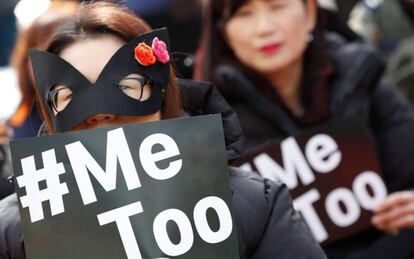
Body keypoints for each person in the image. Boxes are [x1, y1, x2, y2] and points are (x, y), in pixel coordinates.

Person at [0, 2, 326, 259]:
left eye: (127, 86)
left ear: (162, 93)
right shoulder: (12, 231)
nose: (100, 113)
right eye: (69, 96)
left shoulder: (256, 207)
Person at [194, 0, 414, 258]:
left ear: (309, 12)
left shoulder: (366, 79)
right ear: (222, 31)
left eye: (277, 7)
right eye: (244, 14)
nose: (264, 28)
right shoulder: (209, 130)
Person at [9, 1, 78, 138]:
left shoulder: (108, 116)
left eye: (58, 51)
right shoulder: (13, 130)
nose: (49, 63)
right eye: (39, 53)